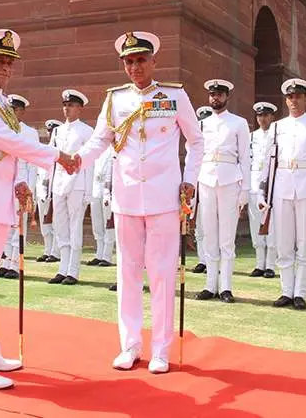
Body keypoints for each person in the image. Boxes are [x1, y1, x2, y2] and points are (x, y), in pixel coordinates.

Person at [0, 28, 75, 390]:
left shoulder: (2, 102)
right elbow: (6, 140)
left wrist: (20, 181)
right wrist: (57, 155)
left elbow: (9, 150)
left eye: (9, 62)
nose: (5, 67)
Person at [74, 31, 203, 374]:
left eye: (141, 60)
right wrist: (75, 161)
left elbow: (196, 141)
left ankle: (161, 349)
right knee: (127, 273)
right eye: (129, 62)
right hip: (127, 196)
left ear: (153, 61)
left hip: (164, 197)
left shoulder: (174, 95)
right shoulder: (115, 99)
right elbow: (100, 140)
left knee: (161, 275)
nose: (135, 67)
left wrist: (190, 179)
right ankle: (129, 345)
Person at [257, 78, 306, 310]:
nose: (294, 101)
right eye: (290, 97)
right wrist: (262, 190)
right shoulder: (277, 127)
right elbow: (267, 162)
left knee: (305, 242)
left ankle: (300, 293)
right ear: (286, 100)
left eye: (298, 96)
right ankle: (286, 291)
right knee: (284, 243)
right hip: (282, 186)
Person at [195, 79, 250, 303]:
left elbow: (245, 157)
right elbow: (195, 156)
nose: (215, 97)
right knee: (209, 236)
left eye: (219, 94)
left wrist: (245, 189)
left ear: (227, 97)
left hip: (230, 180)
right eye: (212, 94)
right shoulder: (202, 124)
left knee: (226, 239)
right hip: (206, 180)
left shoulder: (239, 123)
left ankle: (226, 287)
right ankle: (210, 285)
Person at [49, 89, 94, 285]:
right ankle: (62, 268)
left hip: (78, 182)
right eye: (65, 105)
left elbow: (90, 163)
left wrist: (89, 191)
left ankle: (73, 271)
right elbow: (52, 159)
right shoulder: (57, 131)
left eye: (71, 105)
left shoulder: (86, 131)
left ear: (79, 108)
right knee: (61, 226)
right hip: (59, 183)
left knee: (75, 226)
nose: (67, 109)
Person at [0, 94, 38, 280]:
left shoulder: (29, 133)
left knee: (18, 225)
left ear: (21, 111)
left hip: (21, 180)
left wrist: (30, 189)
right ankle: (5, 262)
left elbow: (32, 163)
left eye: (14, 110)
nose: (11, 113)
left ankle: (15, 264)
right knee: (5, 225)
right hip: (4, 180)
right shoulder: (2, 130)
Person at [248, 102, 278, 278]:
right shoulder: (251, 137)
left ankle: (270, 265)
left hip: (272, 185)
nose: (262, 119)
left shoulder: (277, 135)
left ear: (272, 117)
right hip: (254, 184)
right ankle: (260, 264)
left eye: (266, 115)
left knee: (272, 226)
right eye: (259, 116)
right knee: (255, 225)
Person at [34, 119, 62, 263]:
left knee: (56, 224)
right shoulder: (44, 150)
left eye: (53, 131)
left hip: (54, 191)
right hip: (42, 191)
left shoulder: (60, 152)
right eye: (49, 131)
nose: (50, 134)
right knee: (45, 224)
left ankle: (56, 252)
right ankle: (47, 250)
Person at [191, 106, 213, 274]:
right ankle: (202, 259)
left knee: (211, 227)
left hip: (210, 184)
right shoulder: (195, 143)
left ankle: (212, 260)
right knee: (199, 226)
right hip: (196, 185)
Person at [88, 146, 116, 267]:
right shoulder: (96, 149)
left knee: (108, 223)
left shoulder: (114, 149)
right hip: (95, 188)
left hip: (108, 190)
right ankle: (99, 254)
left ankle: (107, 255)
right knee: (97, 223)